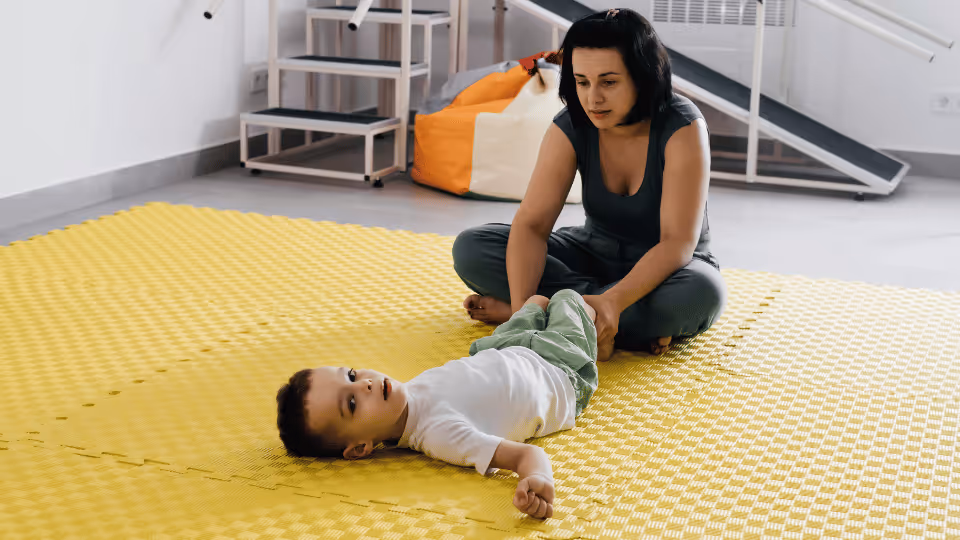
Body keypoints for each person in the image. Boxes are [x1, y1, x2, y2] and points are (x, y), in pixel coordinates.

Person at [452, 8, 727, 362]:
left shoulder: (683, 127)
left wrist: (612, 301)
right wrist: (524, 315)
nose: (592, 98)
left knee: (701, 294)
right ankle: (594, 322)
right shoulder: (571, 125)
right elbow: (532, 225)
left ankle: (578, 315)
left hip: (670, 268)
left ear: (642, 78)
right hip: (592, 253)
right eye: (582, 82)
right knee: (473, 248)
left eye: (608, 82)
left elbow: (677, 243)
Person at [276, 290, 600, 520]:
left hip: (503, 349)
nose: (365, 384)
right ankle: (598, 329)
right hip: (558, 372)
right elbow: (527, 455)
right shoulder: (441, 435)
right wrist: (537, 480)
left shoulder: (403, 395)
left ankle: (527, 311)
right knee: (568, 299)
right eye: (351, 402)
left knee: (533, 304)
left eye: (350, 374)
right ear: (360, 448)